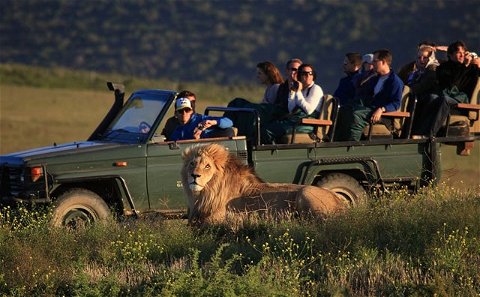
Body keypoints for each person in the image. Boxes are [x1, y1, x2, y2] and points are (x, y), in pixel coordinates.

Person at [413, 40, 479, 137]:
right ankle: (417, 132)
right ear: (451, 55)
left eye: (463, 53)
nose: (462, 56)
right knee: (430, 97)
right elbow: (452, 85)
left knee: (444, 100)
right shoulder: (443, 68)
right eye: (458, 53)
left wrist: (474, 61)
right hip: (446, 97)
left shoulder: (471, 68)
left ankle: (430, 134)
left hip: (460, 104)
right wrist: (463, 67)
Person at [343, 49, 404, 141]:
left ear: (383, 62)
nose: (372, 64)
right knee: (345, 108)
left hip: (383, 115)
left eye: (375, 61)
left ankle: (352, 144)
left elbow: (396, 103)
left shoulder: (395, 81)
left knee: (356, 114)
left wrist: (382, 109)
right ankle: (338, 140)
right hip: (369, 108)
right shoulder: (375, 78)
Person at [261, 63, 324, 144]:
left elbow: (308, 110)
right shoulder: (301, 89)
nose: (308, 76)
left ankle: (272, 153)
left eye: (310, 73)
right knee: (266, 126)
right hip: (296, 121)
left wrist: (298, 92)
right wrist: (292, 93)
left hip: (307, 124)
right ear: (299, 76)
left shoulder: (316, 89)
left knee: (268, 131)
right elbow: (291, 109)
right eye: (304, 73)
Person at [170, 97, 234, 141]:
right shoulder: (177, 132)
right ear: (176, 114)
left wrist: (214, 122)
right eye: (181, 111)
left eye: (187, 110)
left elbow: (229, 122)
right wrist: (196, 139)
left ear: (192, 111)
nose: (184, 113)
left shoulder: (202, 119)